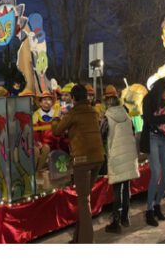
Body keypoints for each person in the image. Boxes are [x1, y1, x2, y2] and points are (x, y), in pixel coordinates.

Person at [51, 83, 104, 244]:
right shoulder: (93, 111)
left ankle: (86, 242)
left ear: (73, 98)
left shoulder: (73, 113)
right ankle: (78, 238)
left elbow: (56, 131)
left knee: (83, 201)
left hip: (82, 160)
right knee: (85, 199)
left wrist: (55, 117)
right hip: (99, 158)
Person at [102, 85, 138, 233]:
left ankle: (115, 221)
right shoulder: (126, 114)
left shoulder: (107, 117)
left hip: (116, 156)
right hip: (129, 155)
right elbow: (133, 132)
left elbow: (102, 134)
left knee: (117, 189)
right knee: (126, 188)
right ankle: (125, 217)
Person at [140, 79, 165, 227]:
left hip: (164, 138)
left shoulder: (163, 101)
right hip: (152, 138)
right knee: (156, 173)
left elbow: (161, 118)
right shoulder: (148, 99)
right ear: (160, 89)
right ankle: (149, 210)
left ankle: (157, 204)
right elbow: (149, 119)